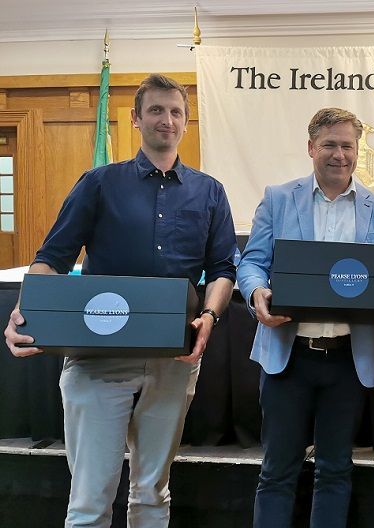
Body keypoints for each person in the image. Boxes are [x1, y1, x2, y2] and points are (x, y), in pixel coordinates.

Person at [3, 74, 237, 528]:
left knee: (153, 493)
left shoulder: (210, 191)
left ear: (186, 123)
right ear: (135, 119)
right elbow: (51, 259)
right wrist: (24, 311)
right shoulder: (98, 183)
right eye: (155, 110)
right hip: (97, 360)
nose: (165, 120)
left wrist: (209, 314)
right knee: (90, 500)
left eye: (175, 112)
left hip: (174, 361)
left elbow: (223, 269)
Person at [237, 107, 374, 528]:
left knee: (335, 469)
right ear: (311, 147)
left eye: (348, 145)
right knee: (276, 471)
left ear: (357, 150)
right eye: (330, 144)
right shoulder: (278, 197)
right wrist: (257, 291)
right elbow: (252, 262)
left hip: (349, 360)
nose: (339, 154)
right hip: (287, 357)